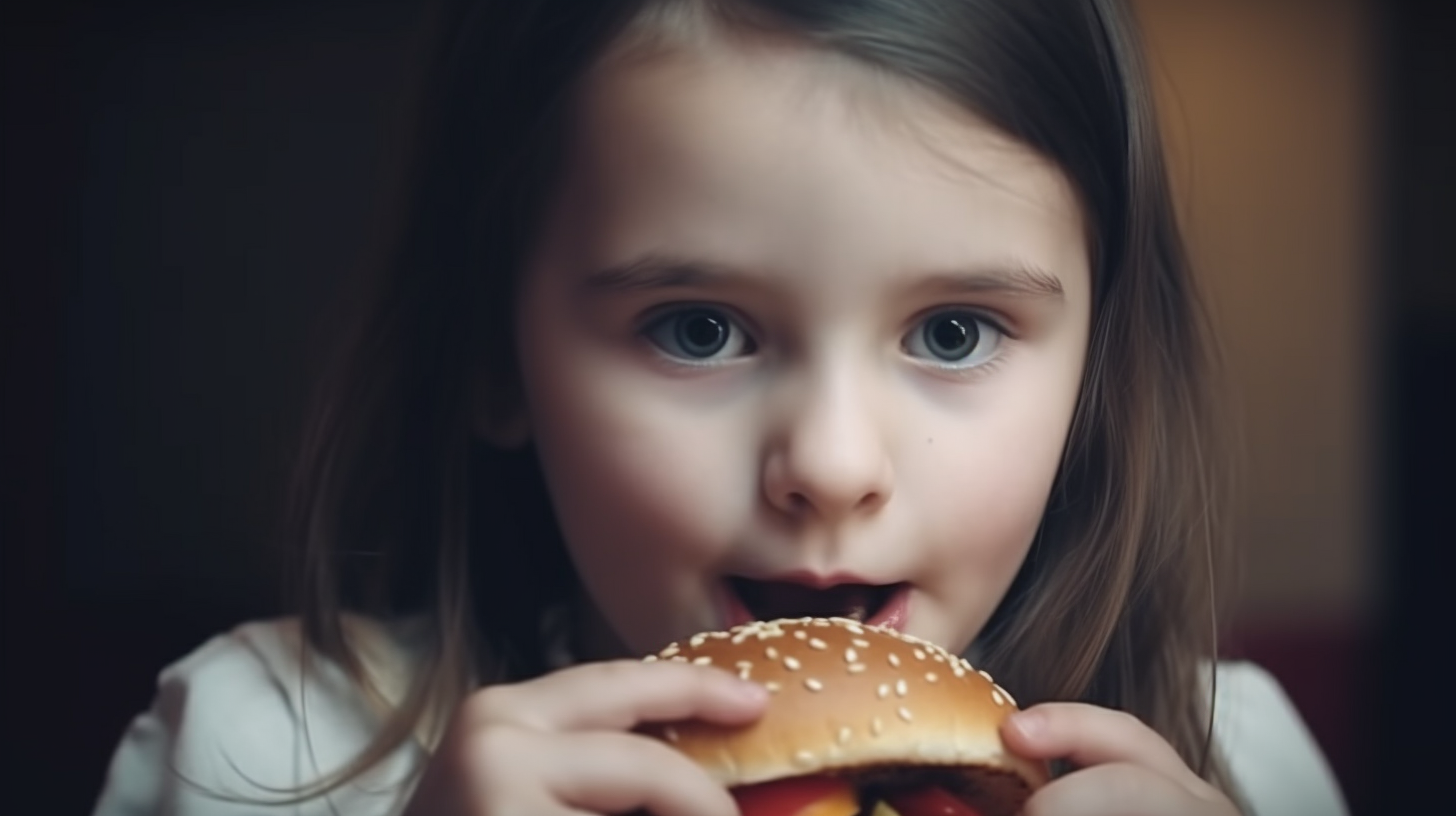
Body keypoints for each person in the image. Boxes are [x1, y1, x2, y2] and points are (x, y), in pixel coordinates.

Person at [92, 0, 1349, 814]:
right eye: (698, 330)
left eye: (954, 333)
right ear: (491, 353)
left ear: (1094, 373)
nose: (831, 465)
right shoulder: (258, 751)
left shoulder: (1238, 763)